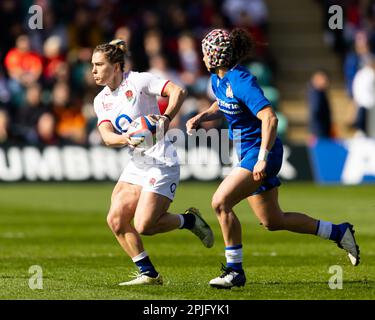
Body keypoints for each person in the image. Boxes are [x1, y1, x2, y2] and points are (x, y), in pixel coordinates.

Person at [186, 28, 360, 289]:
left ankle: (235, 272)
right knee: (273, 220)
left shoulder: (242, 80)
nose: (201, 58)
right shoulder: (217, 81)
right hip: (248, 153)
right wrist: (202, 117)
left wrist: (262, 158)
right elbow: (222, 104)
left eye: (204, 53)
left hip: (261, 153)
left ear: (215, 56)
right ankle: (338, 232)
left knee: (221, 202)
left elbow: (270, 117)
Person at [91, 39, 214, 286]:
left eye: (98, 65)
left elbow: (178, 91)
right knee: (115, 219)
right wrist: (125, 138)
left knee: (144, 225)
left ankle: (188, 220)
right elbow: (106, 135)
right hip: (136, 162)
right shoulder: (100, 100)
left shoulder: (138, 81)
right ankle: (149, 274)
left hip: (161, 161)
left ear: (116, 66)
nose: (93, 70)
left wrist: (166, 119)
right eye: (92, 65)